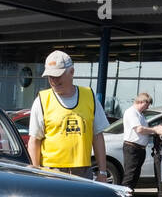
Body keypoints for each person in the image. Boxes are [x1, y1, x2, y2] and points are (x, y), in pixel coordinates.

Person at [27, 50, 110, 181]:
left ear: (71, 72)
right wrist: (36, 173)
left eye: (57, 75)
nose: (53, 80)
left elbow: (97, 136)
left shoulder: (89, 96)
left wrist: (103, 172)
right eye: (50, 76)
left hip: (82, 172)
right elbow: (34, 140)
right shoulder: (42, 100)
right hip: (51, 172)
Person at [121, 92, 156, 192]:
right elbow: (139, 129)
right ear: (142, 102)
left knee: (135, 175)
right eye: (147, 104)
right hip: (133, 148)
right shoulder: (131, 112)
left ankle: (129, 196)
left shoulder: (140, 114)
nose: (148, 107)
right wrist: (155, 130)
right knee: (130, 175)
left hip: (139, 148)